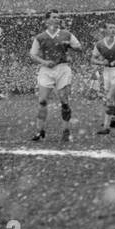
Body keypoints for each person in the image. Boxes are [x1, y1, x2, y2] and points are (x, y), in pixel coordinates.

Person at [28, 10, 82, 143]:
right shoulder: (40, 37)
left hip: (62, 68)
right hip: (46, 69)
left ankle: (66, 130)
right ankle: (40, 131)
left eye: (58, 17)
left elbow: (79, 47)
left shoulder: (67, 34)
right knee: (42, 101)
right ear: (47, 21)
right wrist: (44, 62)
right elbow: (33, 54)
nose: (57, 19)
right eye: (54, 17)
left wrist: (69, 45)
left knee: (64, 100)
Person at [90, 22, 115, 134]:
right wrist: (101, 62)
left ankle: (106, 127)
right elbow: (92, 59)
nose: (113, 29)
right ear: (105, 30)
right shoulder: (99, 44)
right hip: (107, 72)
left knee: (108, 98)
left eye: (114, 27)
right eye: (110, 27)